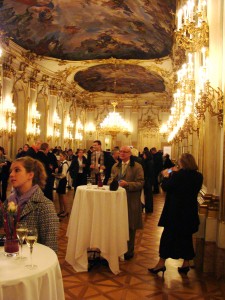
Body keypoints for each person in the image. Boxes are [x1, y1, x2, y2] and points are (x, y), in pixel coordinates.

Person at [148, 153, 203, 275]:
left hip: (175, 211)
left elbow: (166, 187)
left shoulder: (179, 175)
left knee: (167, 237)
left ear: (182, 163)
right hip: (189, 211)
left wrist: (166, 176)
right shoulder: (199, 176)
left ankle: (161, 264)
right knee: (186, 237)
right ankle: (186, 264)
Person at [7, 156, 59, 253]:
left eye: (17, 170)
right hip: (12, 258)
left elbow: (51, 248)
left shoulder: (45, 206)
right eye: (11, 171)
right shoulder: (10, 201)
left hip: (34, 262)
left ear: (30, 175)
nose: (11, 174)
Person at [109, 145, 144, 260]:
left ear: (130, 154)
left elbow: (141, 183)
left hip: (131, 200)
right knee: (117, 224)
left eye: (125, 152)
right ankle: (118, 248)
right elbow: (110, 179)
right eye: (121, 152)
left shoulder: (137, 167)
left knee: (130, 225)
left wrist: (128, 184)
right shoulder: (115, 166)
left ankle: (129, 250)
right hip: (117, 201)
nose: (122, 153)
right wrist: (112, 183)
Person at [54, 151, 69, 218]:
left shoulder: (65, 164)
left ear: (64, 157)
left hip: (62, 181)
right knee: (59, 196)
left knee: (63, 196)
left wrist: (55, 175)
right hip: (59, 181)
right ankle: (61, 210)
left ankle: (66, 211)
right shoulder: (61, 163)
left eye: (61, 156)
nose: (60, 157)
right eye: (59, 156)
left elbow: (63, 175)